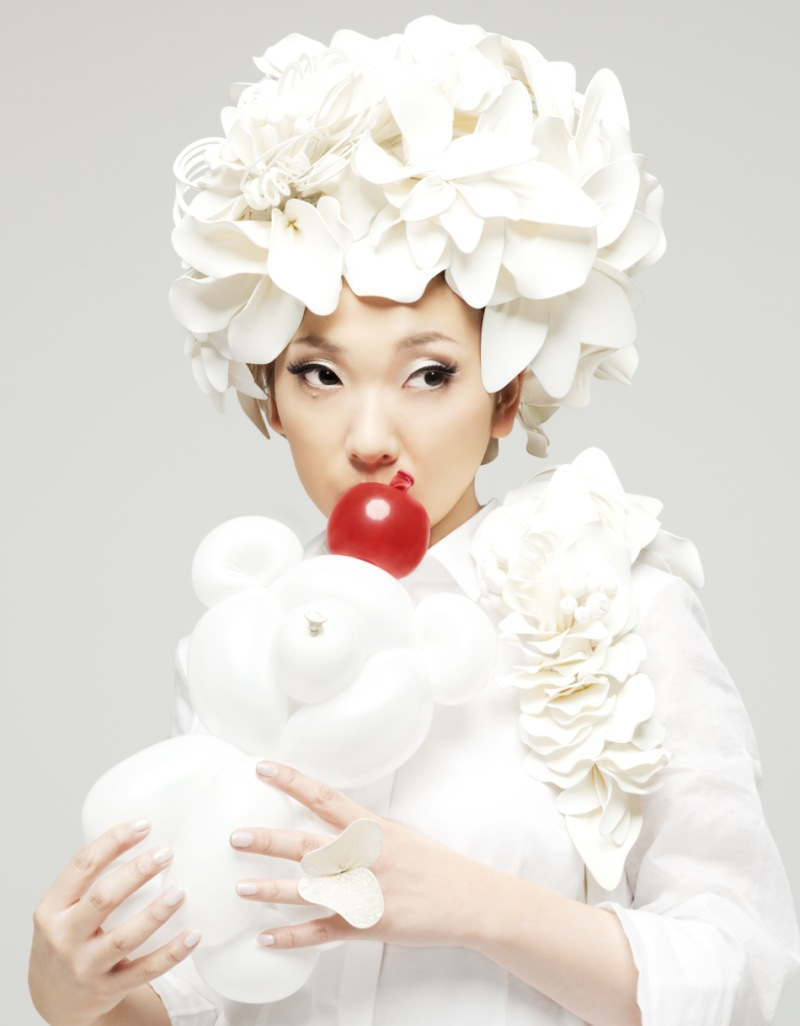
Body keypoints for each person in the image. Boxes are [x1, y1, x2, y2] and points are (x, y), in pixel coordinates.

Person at [28, 16, 800, 1026]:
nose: (367, 437)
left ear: (506, 395)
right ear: (269, 398)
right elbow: (214, 981)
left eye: (428, 374)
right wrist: (77, 992)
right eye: (319, 374)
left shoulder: (617, 607)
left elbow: (743, 969)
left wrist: (471, 905)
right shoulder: (243, 635)